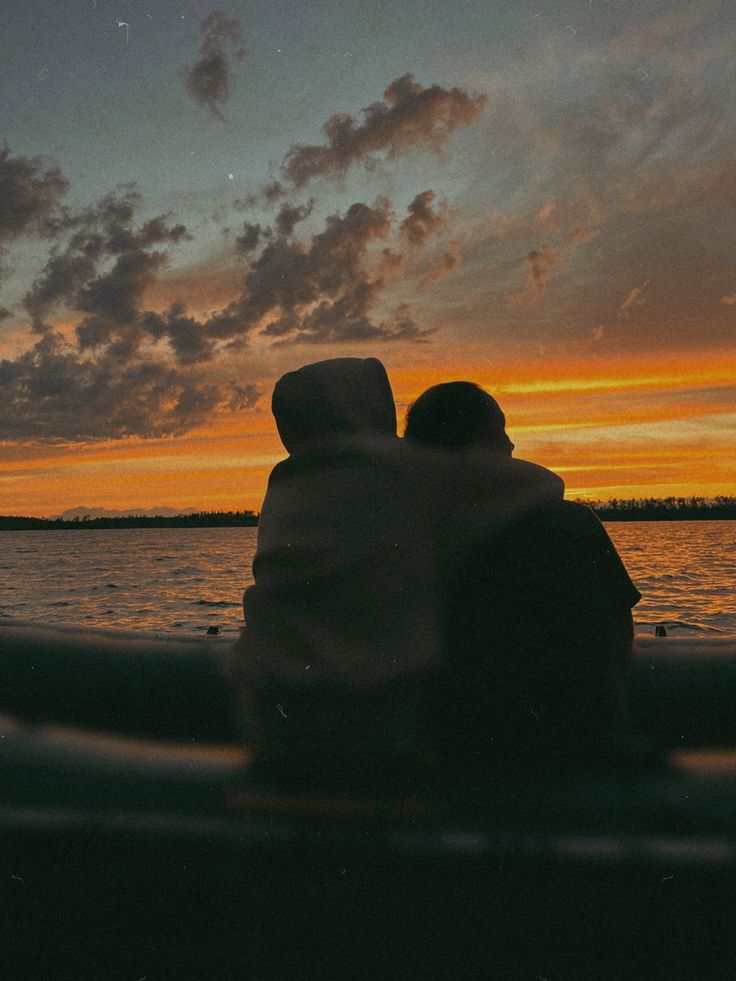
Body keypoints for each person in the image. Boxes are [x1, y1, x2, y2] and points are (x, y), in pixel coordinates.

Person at [228, 360, 565, 792]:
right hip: (372, 729)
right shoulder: (399, 471)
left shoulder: (283, 486)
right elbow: (542, 484)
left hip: (265, 721)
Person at [404, 381, 641, 774]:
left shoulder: (389, 531)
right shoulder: (571, 524)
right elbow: (619, 639)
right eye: (500, 429)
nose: (512, 444)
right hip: (571, 753)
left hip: (448, 750)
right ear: (481, 443)